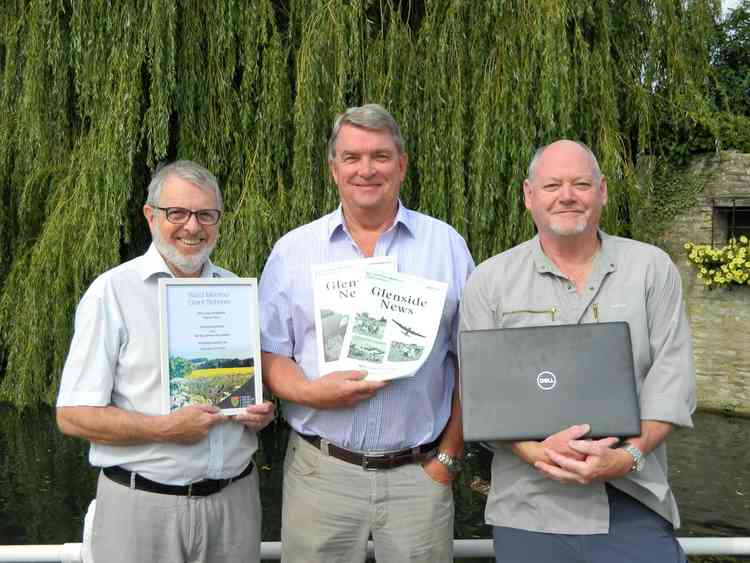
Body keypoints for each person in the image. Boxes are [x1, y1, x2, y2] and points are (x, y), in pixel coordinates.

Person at [459, 139, 696, 563]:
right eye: (552, 185)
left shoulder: (651, 269)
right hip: (529, 508)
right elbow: (481, 393)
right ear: (529, 196)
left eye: (580, 184)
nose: (567, 196)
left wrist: (627, 456)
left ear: (601, 191)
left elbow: (672, 379)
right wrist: (541, 454)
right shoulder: (489, 281)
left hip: (634, 500)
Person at [259, 103, 474, 563]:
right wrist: (313, 394)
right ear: (333, 168)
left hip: (420, 474)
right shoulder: (292, 251)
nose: (366, 169)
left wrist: (449, 457)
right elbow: (271, 353)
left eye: (380, 156)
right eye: (352, 157)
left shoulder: (447, 246)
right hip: (322, 473)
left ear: (402, 164)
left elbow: (471, 359)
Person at [56, 160, 275, 563]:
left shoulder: (235, 291)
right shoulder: (112, 293)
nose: (193, 227)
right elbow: (72, 415)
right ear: (150, 215)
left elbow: (248, 387)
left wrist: (257, 411)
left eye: (206, 215)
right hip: (142, 509)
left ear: (219, 220)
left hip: (233, 506)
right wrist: (163, 429)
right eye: (178, 213)